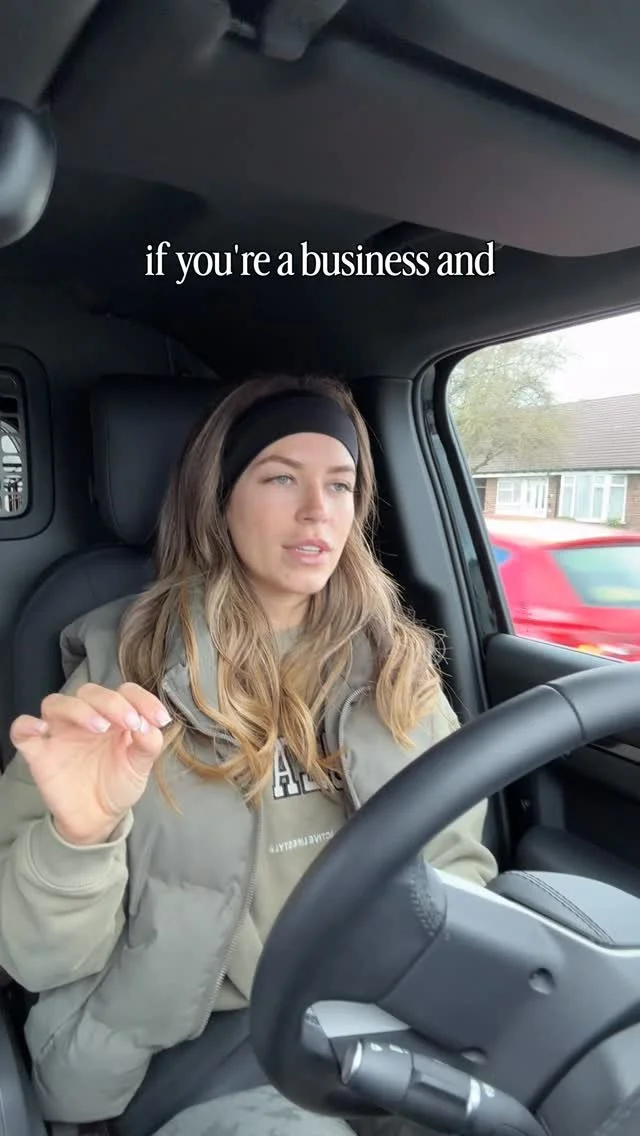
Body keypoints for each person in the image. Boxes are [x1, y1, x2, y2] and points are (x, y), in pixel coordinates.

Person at [0, 374, 498, 1136]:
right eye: (280, 478)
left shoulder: (398, 665)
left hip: (385, 1016)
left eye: (340, 484)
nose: (317, 510)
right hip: (182, 1048)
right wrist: (80, 838)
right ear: (219, 498)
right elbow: (34, 957)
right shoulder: (120, 670)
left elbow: (455, 868)